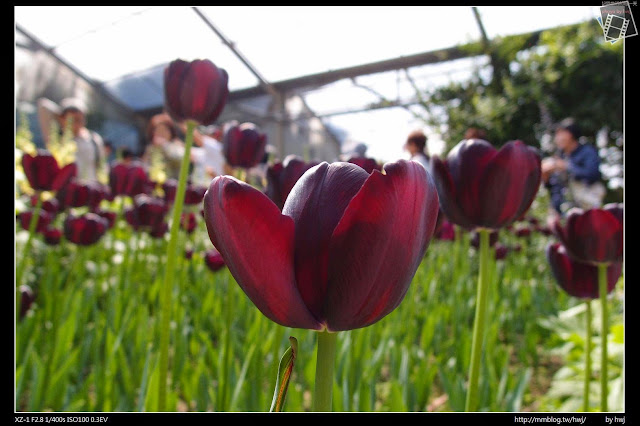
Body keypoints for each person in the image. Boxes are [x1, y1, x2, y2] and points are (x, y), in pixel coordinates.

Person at [542, 119, 604, 216]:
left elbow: (592, 175)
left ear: (570, 134)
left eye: (560, 133)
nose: (557, 138)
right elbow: (554, 188)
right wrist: (545, 177)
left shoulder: (587, 152)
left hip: (586, 208)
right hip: (564, 213)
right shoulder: (560, 156)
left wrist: (567, 167)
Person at [37, 97, 106, 182]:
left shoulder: (94, 139)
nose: (78, 124)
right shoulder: (57, 138)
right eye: (73, 120)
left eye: (80, 119)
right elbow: (43, 105)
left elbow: (102, 167)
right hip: (65, 190)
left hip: (89, 190)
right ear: (61, 119)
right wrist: (60, 115)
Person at [142, 113, 186, 180]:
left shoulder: (177, 145)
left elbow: (180, 157)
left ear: (171, 132)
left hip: (172, 185)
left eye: (164, 130)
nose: (161, 133)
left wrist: (165, 145)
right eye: (158, 130)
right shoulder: (151, 148)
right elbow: (145, 166)